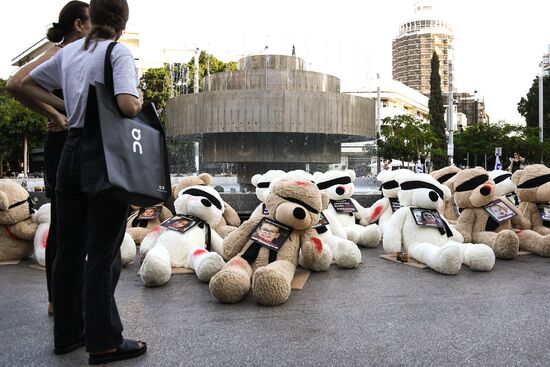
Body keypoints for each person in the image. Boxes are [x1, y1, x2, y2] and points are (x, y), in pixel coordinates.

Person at [20, 0, 146, 364]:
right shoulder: (117, 53)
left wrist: (60, 112)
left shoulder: (70, 51)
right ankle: (104, 340)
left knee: (69, 249)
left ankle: (66, 335)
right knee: (102, 251)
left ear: (93, 15)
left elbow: (25, 84)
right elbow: (125, 105)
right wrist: (137, 102)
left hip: (71, 152)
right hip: (105, 155)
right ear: (122, 21)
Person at [8, 1, 91, 317]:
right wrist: (62, 111)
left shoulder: (76, 56)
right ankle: (59, 298)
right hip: (64, 146)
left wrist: (57, 110)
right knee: (63, 225)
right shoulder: (61, 52)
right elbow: (16, 84)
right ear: (79, 26)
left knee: (66, 224)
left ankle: (63, 298)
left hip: (67, 142)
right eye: (91, 23)